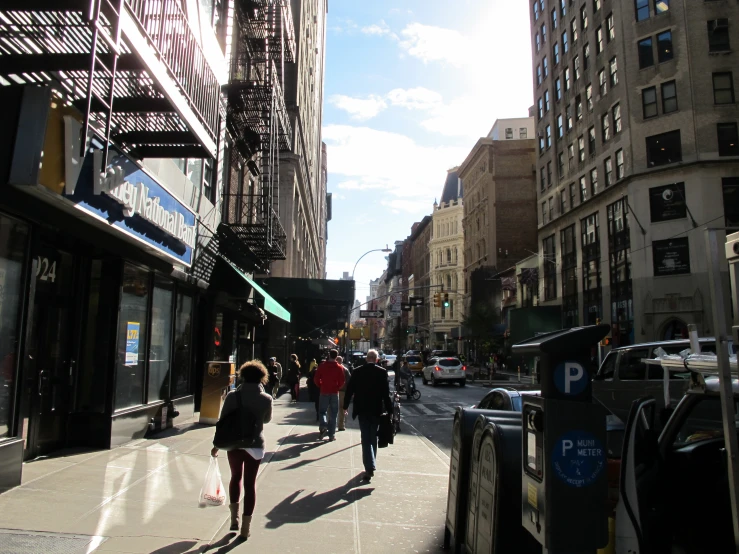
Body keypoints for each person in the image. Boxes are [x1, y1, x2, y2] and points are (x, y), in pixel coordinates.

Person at [210, 360, 273, 540]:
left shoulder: (232, 396)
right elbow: (267, 420)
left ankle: (234, 518)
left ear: (242, 376)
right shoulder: (266, 399)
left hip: (235, 442)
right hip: (255, 444)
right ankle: (246, 528)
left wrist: (216, 445)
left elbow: (223, 421)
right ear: (262, 377)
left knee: (235, 477)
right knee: (250, 484)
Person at [343, 349, 393, 482]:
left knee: (365, 439)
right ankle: (371, 464)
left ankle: (369, 467)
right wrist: (390, 410)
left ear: (366, 359)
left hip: (362, 409)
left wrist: (345, 406)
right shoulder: (382, 372)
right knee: (372, 438)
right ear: (376, 359)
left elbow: (350, 389)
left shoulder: (358, 371)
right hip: (376, 410)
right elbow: (386, 394)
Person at [314, 349, 346, 441]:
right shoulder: (339, 367)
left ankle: (323, 425)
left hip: (324, 391)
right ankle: (331, 435)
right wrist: (337, 387)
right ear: (336, 356)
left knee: (322, 411)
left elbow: (316, 378)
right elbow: (342, 381)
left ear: (329, 355)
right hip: (334, 392)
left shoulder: (322, 366)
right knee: (334, 413)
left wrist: (320, 384)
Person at [336, 356, 352, 432]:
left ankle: (330, 425)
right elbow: (349, 381)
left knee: (331, 408)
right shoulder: (345, 370)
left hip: (334, 391)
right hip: (343, 391)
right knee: (342, 408)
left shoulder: (333, 369)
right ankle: (341, 425)